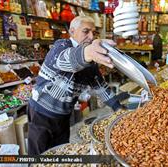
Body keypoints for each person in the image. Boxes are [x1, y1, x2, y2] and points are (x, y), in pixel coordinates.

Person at [27, 15, 126, 155]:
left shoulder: (91, 65)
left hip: (64, 116)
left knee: (61, 153)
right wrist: (87, 53)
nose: (91, 37)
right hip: (41, 113)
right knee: (39, 155)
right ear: (72, 31)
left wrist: (119, 108)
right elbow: (66, 60)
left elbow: (102, 87)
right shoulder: (61, 46)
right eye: (86, 31)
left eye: (94, 33)